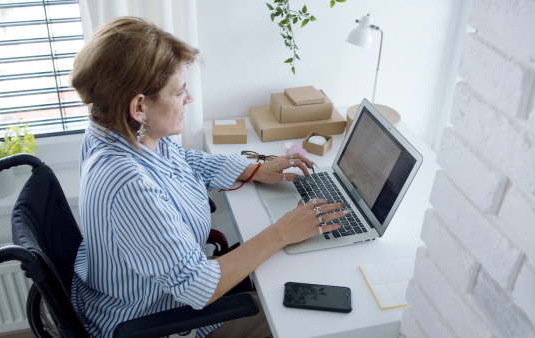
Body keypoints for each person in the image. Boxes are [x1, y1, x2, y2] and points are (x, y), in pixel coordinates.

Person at [69, 17, 347, 338]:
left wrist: (253, 168)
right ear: (139, 107)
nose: (189, 98)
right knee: (300, 323)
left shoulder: (116, 130)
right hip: (154, 318)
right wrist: (281, 232)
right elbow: (198, 286)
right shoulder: (128, 184)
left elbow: (184, 161)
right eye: (179, 92)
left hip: (148, 293)